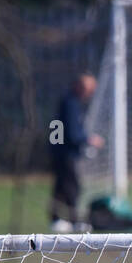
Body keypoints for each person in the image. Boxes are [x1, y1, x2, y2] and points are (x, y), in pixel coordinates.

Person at [49, 74, 104, 232]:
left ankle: (57, 219)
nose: (90, 94)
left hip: (60, 151)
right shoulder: (70, 103)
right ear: (80, 87)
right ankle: (73, 220)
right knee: (72, 187)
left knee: (61, 187)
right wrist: (88, 139)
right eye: (89, 89)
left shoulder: (70, 101)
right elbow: (72, 133)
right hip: (65, 153)